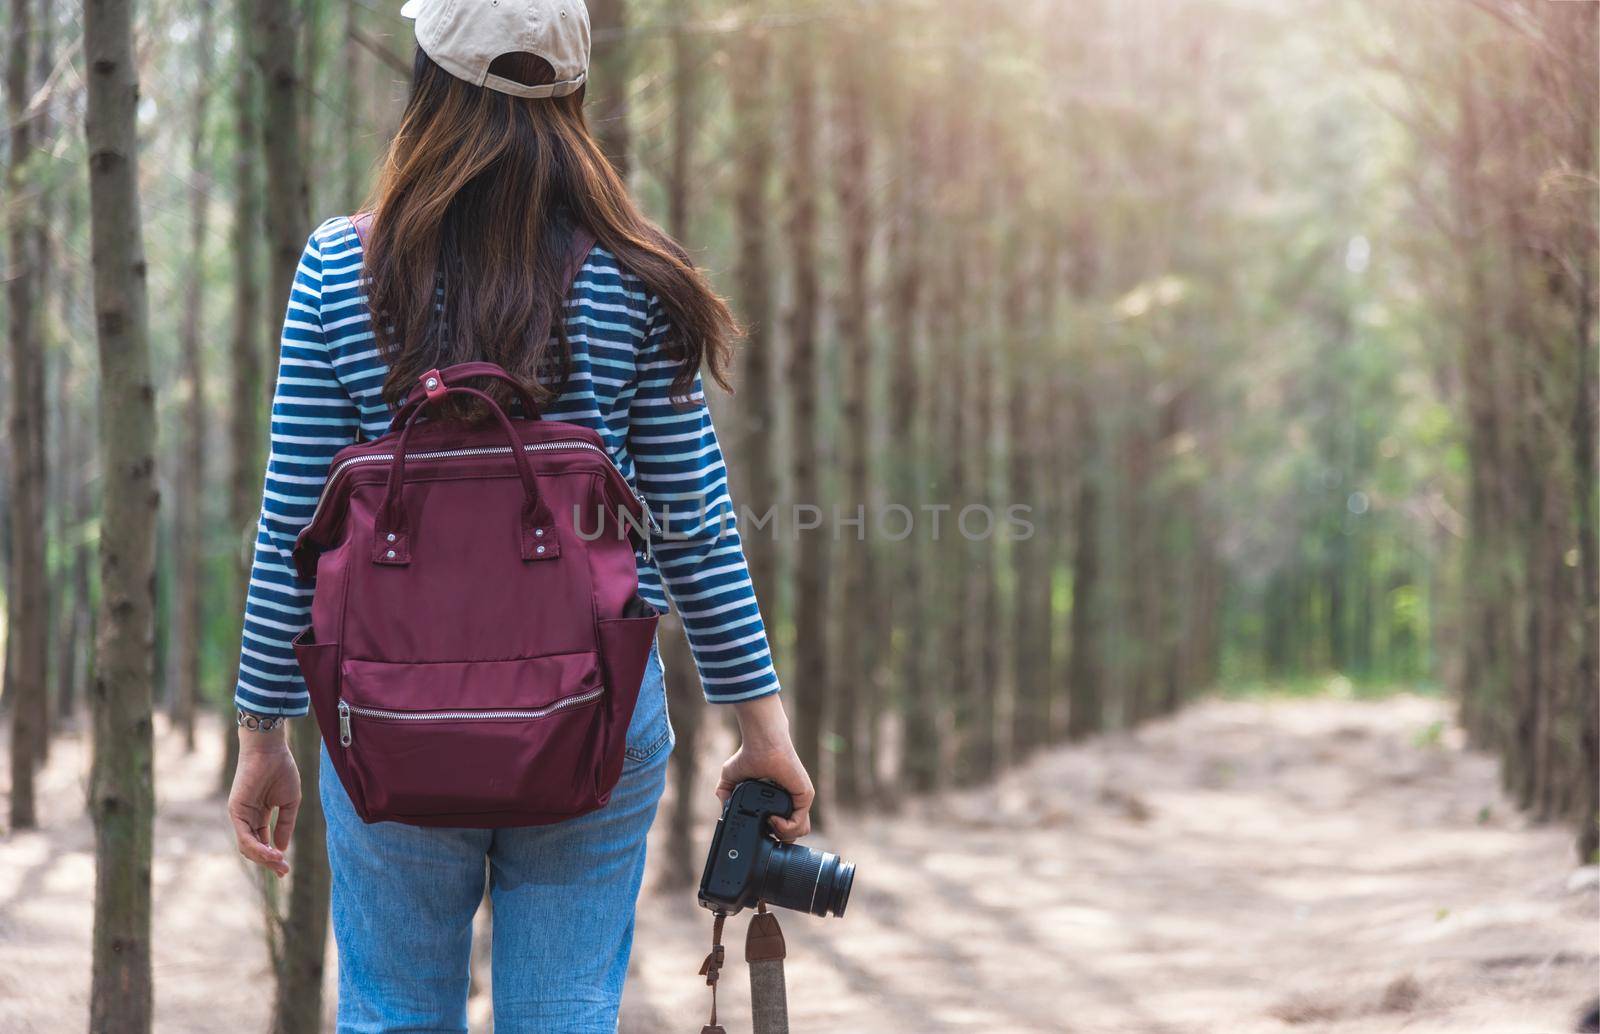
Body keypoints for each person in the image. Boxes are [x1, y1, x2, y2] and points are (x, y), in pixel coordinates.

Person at [224, 0, 813, 1029]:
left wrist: (260, 727)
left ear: (427, 77)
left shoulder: (339, 270)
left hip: (383, 703)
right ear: (571, 94)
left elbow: (293, 526)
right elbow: (691, 520)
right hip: (591, 706)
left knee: (395, 1010)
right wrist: (761, 726)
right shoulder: (634, 277)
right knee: (565, 1009)